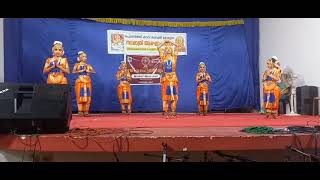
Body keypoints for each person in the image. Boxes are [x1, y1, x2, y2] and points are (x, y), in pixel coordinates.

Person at [157, 40, 180, 116]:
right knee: (165, 95)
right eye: (167, 48)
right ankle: (165, 110)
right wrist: (164, 43)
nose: (168, 49)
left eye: (170, 48)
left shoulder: (174, 57)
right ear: (165, 50)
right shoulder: (163, 58)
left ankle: (173, 110)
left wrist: (171, 42)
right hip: (166, 78)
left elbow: (177, 46)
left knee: (174, 95)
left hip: (173, 78)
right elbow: (158, 47)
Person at [72, 51, 96, 116]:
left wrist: (89, 71)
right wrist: (80, 71)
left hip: (87, 80)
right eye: (83, 56)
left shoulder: (88, 65)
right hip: (80, 80)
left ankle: (86, 111)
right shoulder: (77, 65)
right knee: (80, 95)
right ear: (80, 57)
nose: (85, 58)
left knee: (87, 96)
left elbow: (94, 72)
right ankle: (80, 110)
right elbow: (73, 71)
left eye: (85, 57)